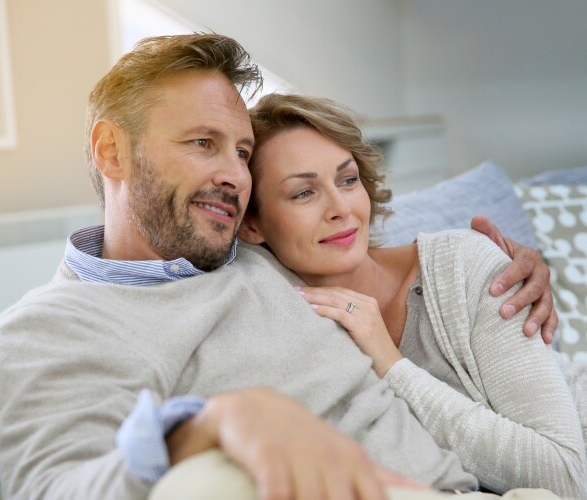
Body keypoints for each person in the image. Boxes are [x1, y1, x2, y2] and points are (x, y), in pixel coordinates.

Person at [0, 34, 557, 500]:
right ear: (111, 151)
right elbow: (55, 486)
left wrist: (509, 261)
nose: (236, 175)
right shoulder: (51, 327)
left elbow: (358, 232)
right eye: (202, 142)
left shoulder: (257, 253)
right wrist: (200, 428)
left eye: (240, 152)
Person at [237, 92, 587, 497]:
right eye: (303, 193)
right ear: (251, 226)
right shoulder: (275, 312)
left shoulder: (463, 265)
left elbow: (566, 476)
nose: (341, 209)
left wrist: (392, 364)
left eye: (348, 180)